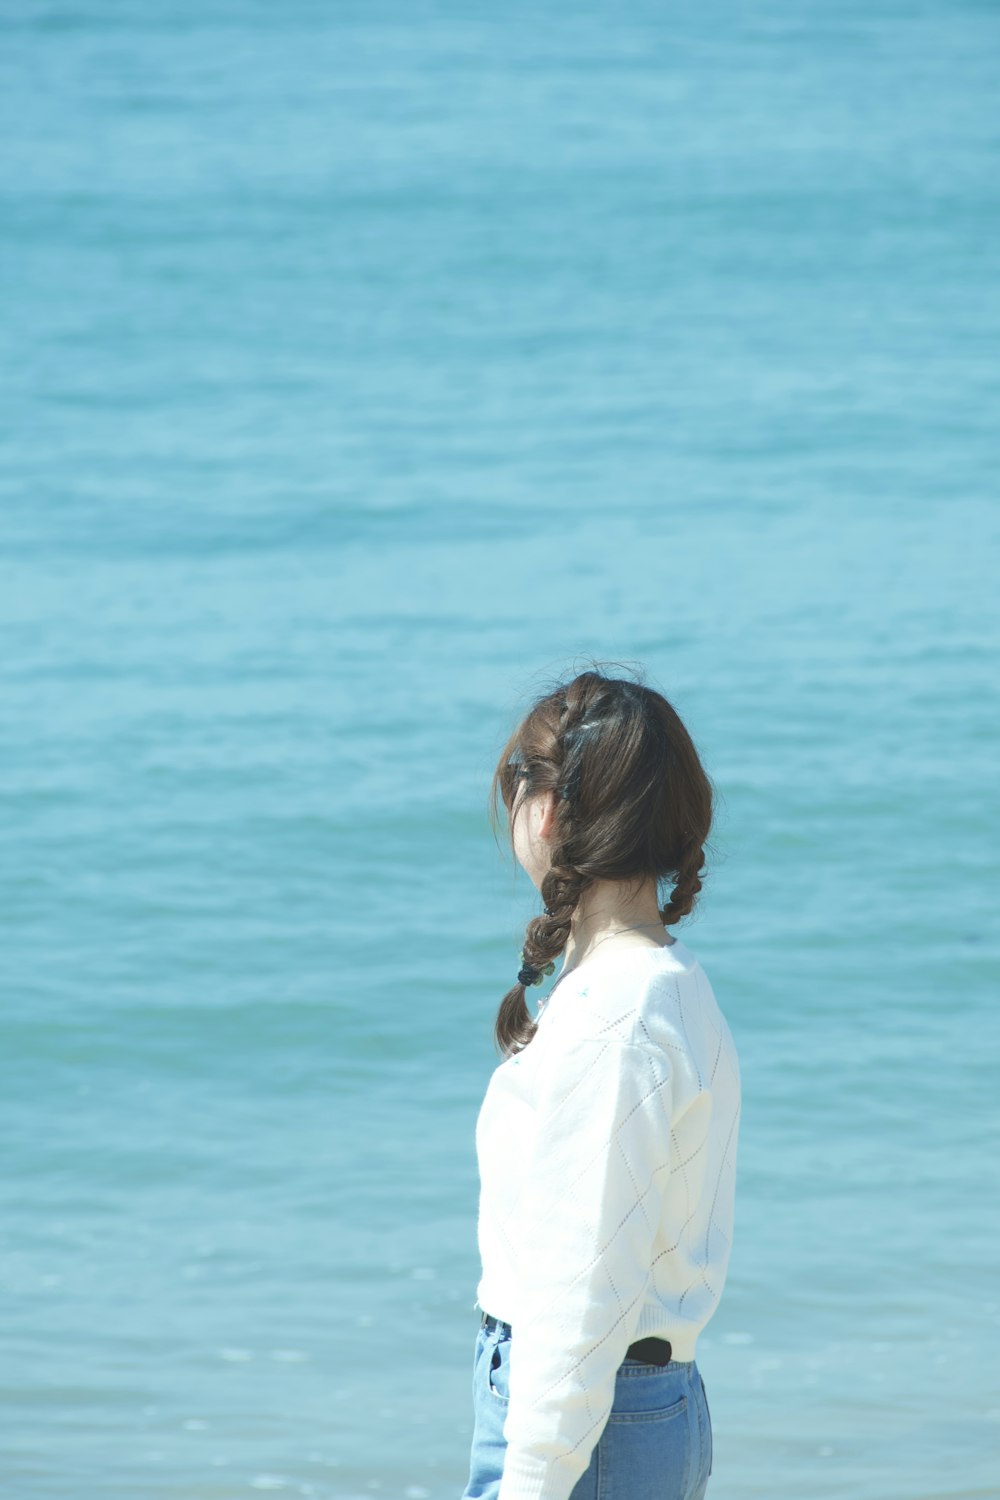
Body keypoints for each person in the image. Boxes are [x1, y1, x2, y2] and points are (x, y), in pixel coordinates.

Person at [460, 665, 741, 1500]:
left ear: (545, 810)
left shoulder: (615, 1018)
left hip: (588, 1422)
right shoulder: (668, 982)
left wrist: (530, 1483)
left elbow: (585, 1289)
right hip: (632, 1408)